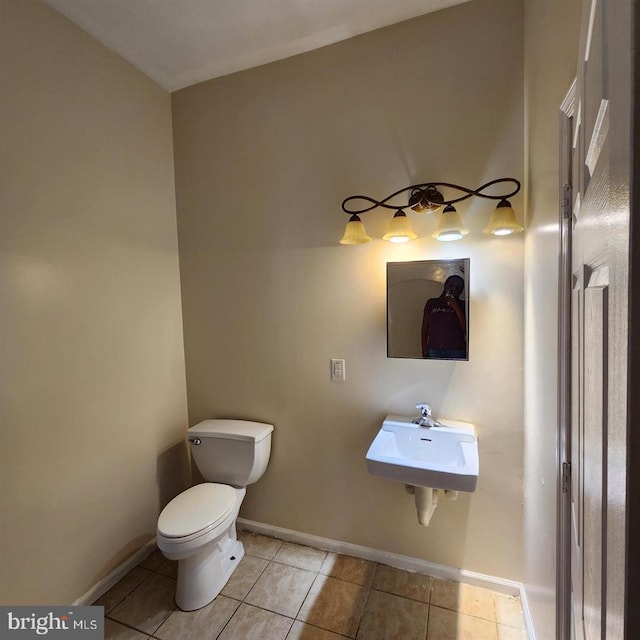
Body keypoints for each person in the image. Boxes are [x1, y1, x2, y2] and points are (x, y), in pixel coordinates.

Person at [421, 275, 467, 359]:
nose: (454, 289)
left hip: (456, 351)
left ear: (461, 290)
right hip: (434, 350)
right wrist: (424, 350)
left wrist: (456, 308)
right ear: (445, 285)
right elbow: (425, 329)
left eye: (458, 287)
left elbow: (467, 330)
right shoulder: (432, 303)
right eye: (451, 285)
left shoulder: (463, 305)